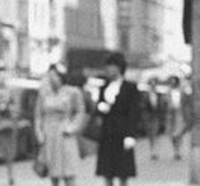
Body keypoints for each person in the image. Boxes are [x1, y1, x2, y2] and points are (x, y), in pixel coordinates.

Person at [35, 63, 85, 186]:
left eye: (55, 75)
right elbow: (38, 116)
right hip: (49, 135)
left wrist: (72, 127)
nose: (52, 79)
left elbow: (80, 112)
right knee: (53, 173)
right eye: (50, 76)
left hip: (64, 133)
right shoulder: (44, 94)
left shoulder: (73, 92)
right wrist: (39, 133)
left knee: (69, 172)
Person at [95, 52, 139, 186]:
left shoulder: (130, 88)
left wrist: (131, 135)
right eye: (106, 67)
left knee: (123, 173)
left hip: (123, 133)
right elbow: (98, 109)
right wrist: (100, 107)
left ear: (119, 68)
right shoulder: (103, 87)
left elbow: (134, 112)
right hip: (107, 134)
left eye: (110, 66)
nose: (107, 70)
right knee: (107, 172)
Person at [165, 75, 189, 160]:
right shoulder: (168, 91)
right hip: (171, 114)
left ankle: (178, 151)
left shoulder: (182, 91)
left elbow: (186, 103)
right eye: (171, 81)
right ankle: (175, 149)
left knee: (179, 132)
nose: (172, 83)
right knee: (172, 134)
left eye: (174, 81)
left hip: (180, 113)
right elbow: (166, 103)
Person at [141, 77, 163, 160]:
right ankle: (152, 150)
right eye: (151, 84)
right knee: (150, 134)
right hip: (148, 116)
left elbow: (161, 106)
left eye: (154, 84)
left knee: (155, 133)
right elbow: (142, 106)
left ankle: (155, 151)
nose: (153, 86)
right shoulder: (145, 95)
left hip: (156, 116)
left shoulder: (159, 94)